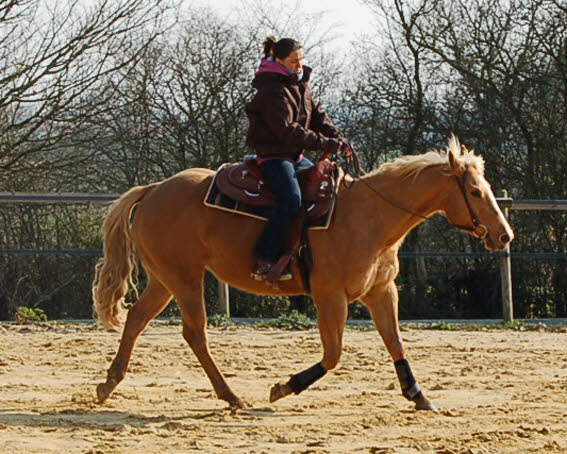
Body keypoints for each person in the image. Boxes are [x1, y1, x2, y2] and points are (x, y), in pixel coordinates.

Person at [246, 36, 350, 282]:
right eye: (294, 61)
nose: (299, 65)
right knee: (291, 199)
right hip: (273, 156)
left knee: (331, 188)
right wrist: (327, 144)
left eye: (301, 59)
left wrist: (338, 136)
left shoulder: (299, 84)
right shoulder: (271, 90)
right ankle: (265, 257)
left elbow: (317, 116)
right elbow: (288, 131)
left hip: (294, 156)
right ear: (279, 60)